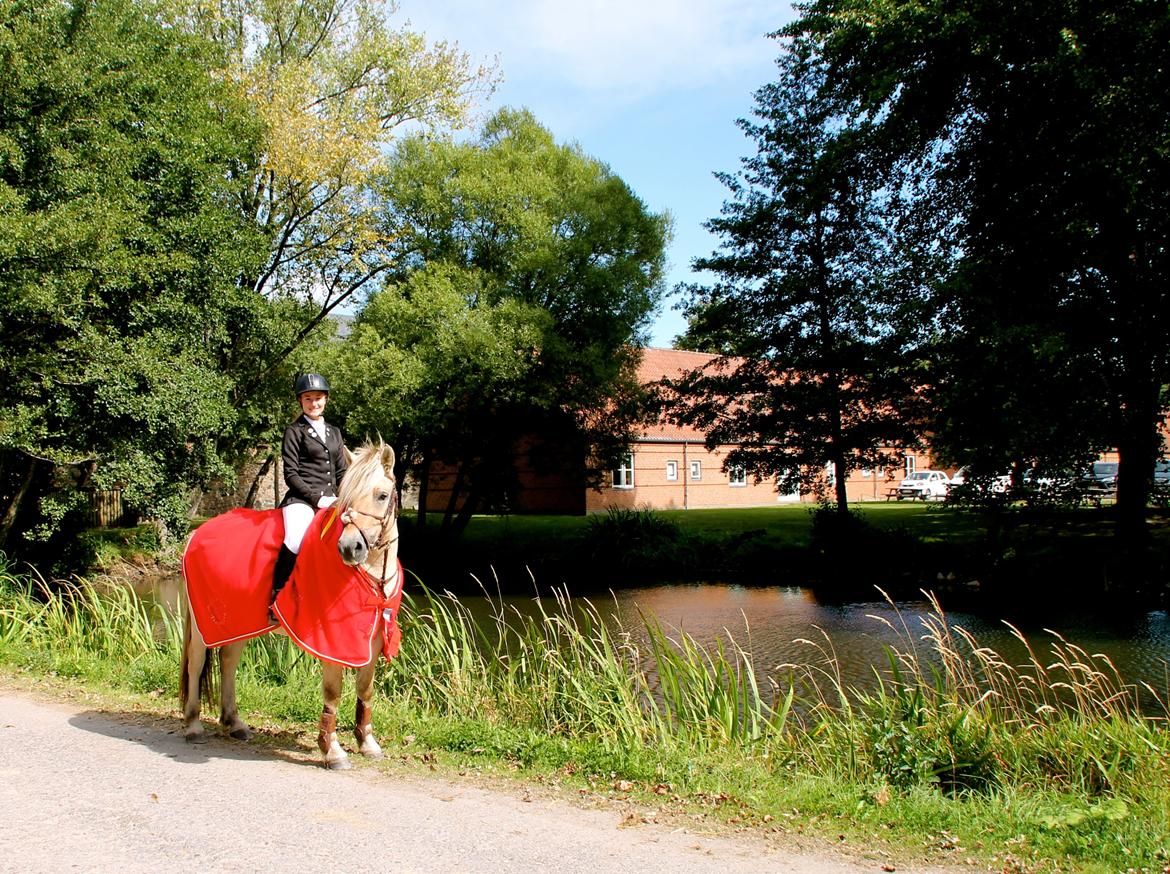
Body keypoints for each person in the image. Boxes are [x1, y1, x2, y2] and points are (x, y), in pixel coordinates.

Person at [270, 373, 348, 609]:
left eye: (318, 398)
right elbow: (291, 475)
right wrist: (318, 499)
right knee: (296, 537)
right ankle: (277, 595)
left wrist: (346, 497)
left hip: (333, 498)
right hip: (301, 499)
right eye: (308, 399)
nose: (314, 403)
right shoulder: (294, 431)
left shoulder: (334, 432)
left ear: (326, 399)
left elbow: (342, 471)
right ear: (300, 401)